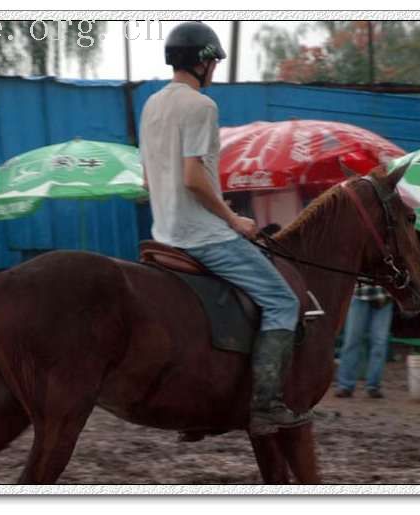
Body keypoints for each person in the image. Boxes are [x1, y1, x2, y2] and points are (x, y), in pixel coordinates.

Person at [139, 21, 305, 436]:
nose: (213, 70)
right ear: (202, 62)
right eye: (213, 62)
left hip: (165, 234)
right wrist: (233, 220)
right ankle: (266, 405)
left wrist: (216, 205)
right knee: (283, 302)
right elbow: (195, 178)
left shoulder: (152, 105)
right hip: (203, 238)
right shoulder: (201, 107)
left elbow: (148, 180)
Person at [335, 282, 394, 398]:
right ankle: (346, 385)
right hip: (360, 293)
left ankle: (373, 386)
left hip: (384, 296)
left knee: (379, 343)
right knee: (352, 341)